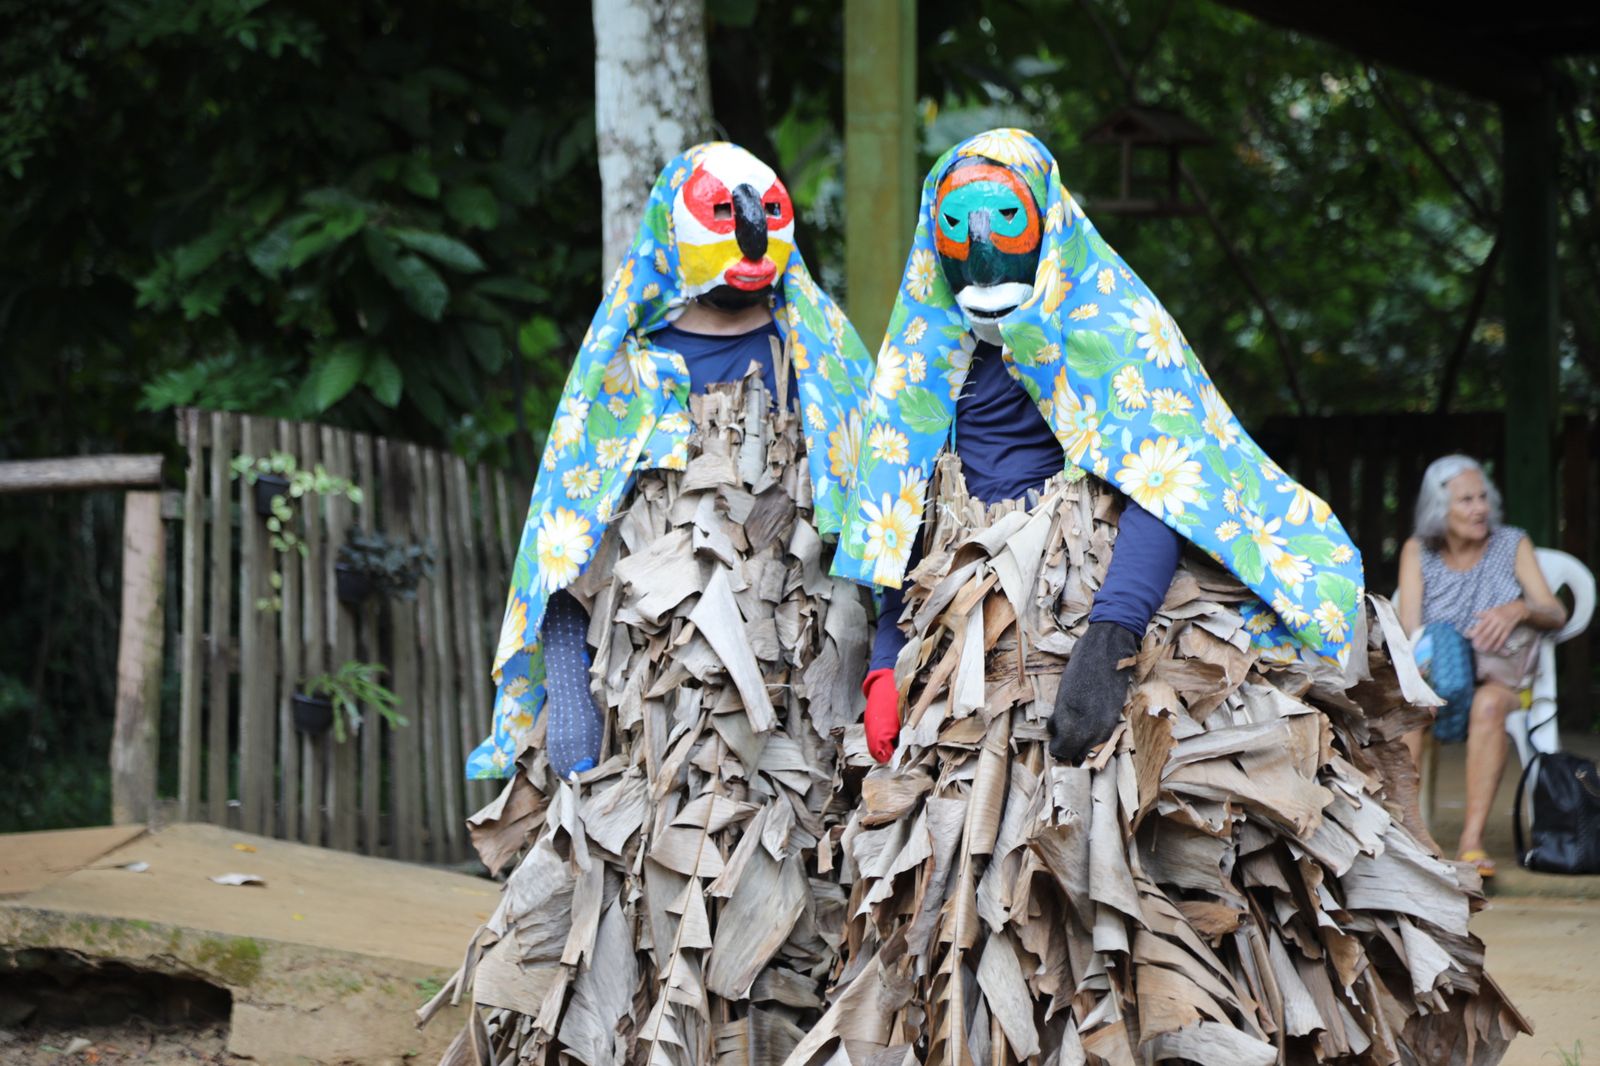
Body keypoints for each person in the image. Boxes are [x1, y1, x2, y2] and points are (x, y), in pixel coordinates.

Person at [809, 129, 1524, 1063]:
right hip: (966, 656)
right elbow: (892, 517)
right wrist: (882, 663)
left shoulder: (1110, 321)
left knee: (1154, 860)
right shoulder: (922, 353)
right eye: (957, 222)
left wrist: (1110, 642)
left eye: (1002, 216)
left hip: (1109, 614)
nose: (979, 240)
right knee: (966, 892)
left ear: (1044, 219)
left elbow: (1166, 484)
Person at [446, 142, 877, 1063]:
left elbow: (879, 529)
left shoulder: (823, 362)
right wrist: (568, 699)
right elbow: (567, 547)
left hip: (795, 727)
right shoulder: (627, 372)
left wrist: (877, 681)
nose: (750, 232)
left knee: (786, 939)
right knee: (645, 939)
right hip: (645, 727)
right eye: (727, 212)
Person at [1398, 454, 1567, 877]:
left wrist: (1519, 609)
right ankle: (1413, 836)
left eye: (1483, 498)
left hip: (1501, 678)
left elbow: (1556, 612)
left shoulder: (1512, 543)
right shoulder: (1418, 551)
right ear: (1440, 509)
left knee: (1487, 705)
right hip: (1442, 677)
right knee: (1408, 710)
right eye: (1467, 500)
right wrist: (1420, 678)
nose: (1480, 508)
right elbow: (1409, 631)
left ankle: (1471, 842)